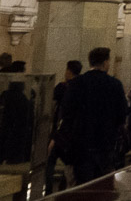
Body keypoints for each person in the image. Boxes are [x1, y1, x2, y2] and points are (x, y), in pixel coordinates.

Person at [59, 46, 127, 184]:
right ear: (105, 62)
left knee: (82, 186)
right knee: (103, 185)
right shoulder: (115, 84)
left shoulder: (77, 83)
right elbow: (122, 114)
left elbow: (66, 112)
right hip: (105, 144)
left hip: (81, 144)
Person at [45, 59, 82, 195]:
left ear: (68, 71)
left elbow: (53, 108)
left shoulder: (62, 88)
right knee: (69, 163)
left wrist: (54, 134)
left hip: (59, 132)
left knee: (50, 161)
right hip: (73, 134)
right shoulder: (81, 88)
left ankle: (49, 192)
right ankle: (62, 188)